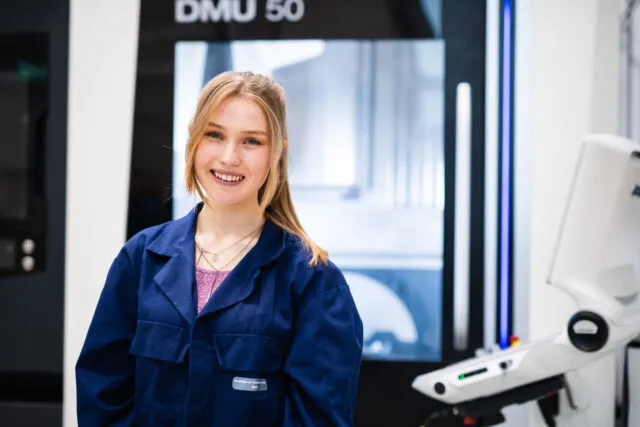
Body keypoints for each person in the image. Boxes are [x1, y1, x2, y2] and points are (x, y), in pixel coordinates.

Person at [75, 71, 364, 426]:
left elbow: (318, 418)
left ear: (277, 152)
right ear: (194, 140)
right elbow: (102, 397)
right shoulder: (141, 259)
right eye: (215, 134)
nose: (229, 157)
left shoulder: (313, 282)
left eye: (251, 141)